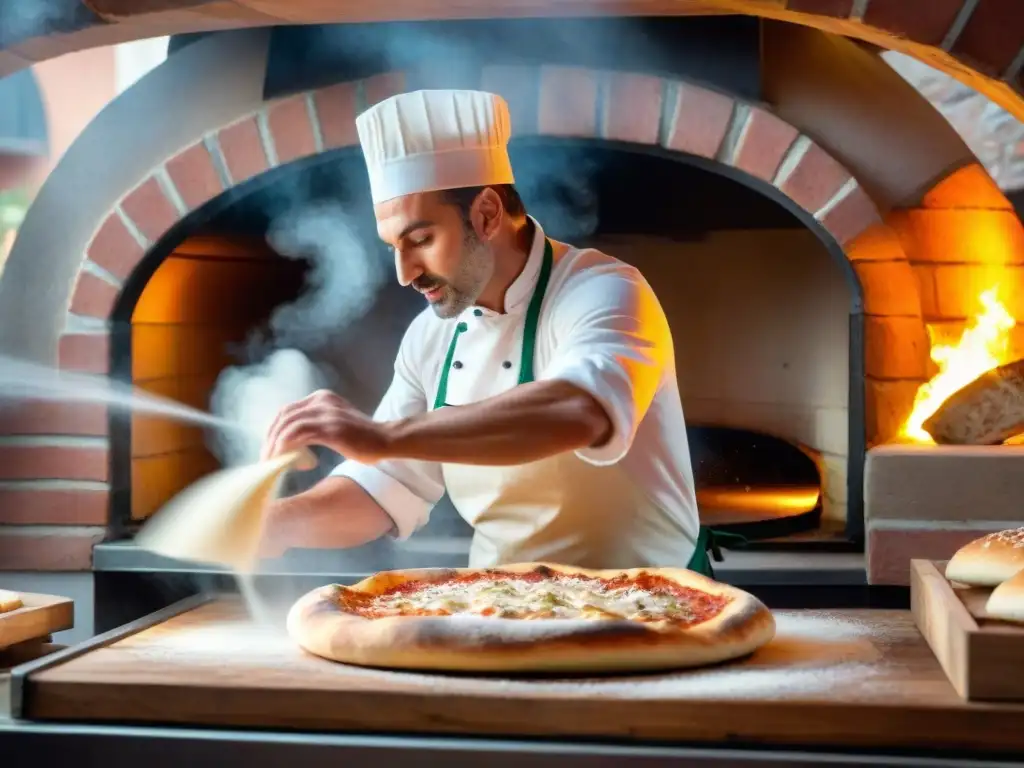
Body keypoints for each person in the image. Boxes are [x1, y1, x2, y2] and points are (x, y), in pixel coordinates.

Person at [260, 88, 717, 573]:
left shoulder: (605, 289)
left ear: (487, 213)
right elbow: (384, 486)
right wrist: (276, 524)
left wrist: (383, 435)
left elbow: (578, 410)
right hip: (501, 610)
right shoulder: (428, 337)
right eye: (394, 246)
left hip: (650, 605)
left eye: (420, 240)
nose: (404, 272)